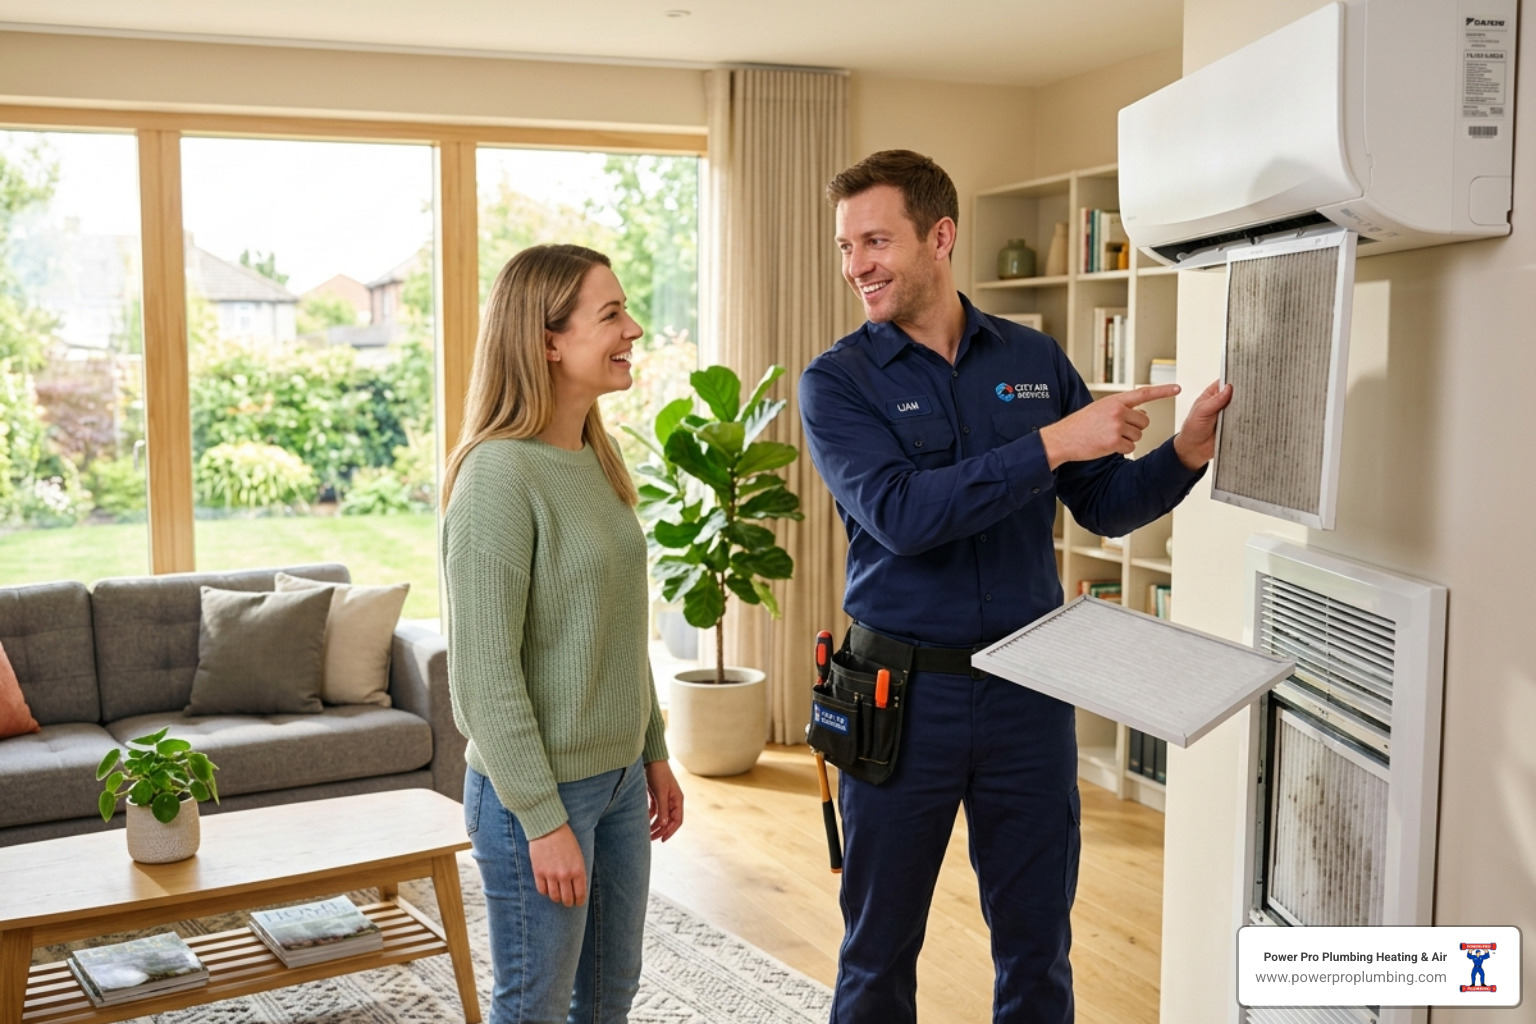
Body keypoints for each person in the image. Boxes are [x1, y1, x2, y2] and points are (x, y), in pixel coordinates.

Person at [798, 150, 1232, 1024]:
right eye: (847, 247)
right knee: (877, 954)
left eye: (876, 240)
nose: (857, 266)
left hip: (1031, 693)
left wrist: (1185, 452)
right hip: (898, 699)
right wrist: (1055, 443)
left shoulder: (1034, 359)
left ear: (941, 237)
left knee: (1038, 951)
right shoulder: (836, 382)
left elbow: (1104, 506)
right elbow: (902, 515)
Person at [440, 243, 684, 1024]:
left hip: (616, 783)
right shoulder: (497, 477)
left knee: (611, 994)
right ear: (547, 340)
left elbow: (616, 627)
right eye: (611, 314)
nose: (634, 328)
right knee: (535, 1007)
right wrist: (543, 821)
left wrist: (652, 751)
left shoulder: (595, 456)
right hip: (534, 795)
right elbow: (483, 676)